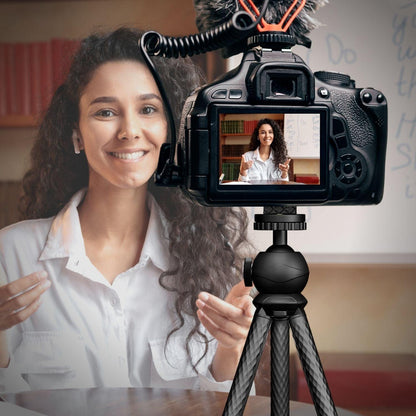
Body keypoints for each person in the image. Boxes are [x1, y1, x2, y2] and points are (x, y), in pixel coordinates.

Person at [0, 28, 254, 394]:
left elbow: (221, 406)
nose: (130, 131)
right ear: (76, 132)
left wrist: (232, 350)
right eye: (106, 112)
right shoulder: (12, 255)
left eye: (148, 109)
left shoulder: (210, 259)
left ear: (172, 128)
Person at [238, 118, 291, 183]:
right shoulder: (247, 157)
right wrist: (243, 170)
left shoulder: (280, 157)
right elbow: (242, 186)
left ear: (274, 135)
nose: (267, 135)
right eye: (263, 132)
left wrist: (284, 173)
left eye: (270, 132)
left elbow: (283, 187)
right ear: (258, 136)